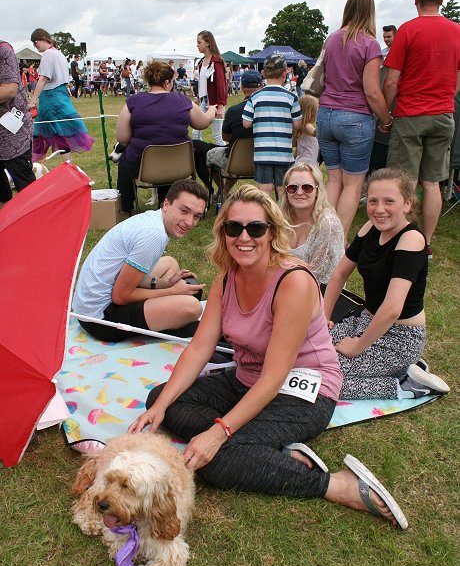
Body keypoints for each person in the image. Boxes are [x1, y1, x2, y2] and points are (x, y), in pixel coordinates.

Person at [128, 184, 408, 530]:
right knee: (161, 399)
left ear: (272, 232)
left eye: (255, 228)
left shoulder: (294, 281)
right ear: (223, 233)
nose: (244, 237)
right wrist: (160, 407)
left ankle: (335, 485)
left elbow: (276, 376)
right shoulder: (225, 281)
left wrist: (219, 432)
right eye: (234, 228)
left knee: (218, 459)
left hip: (304, 391)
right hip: (247, 381)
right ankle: (269, 446)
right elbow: (199, 348)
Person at [323, 168, 450, 400]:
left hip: (400, 338)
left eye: (389, 201)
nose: (379, 209)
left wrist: (357, 346)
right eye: (373, 201)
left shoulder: (411, 239)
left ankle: (406, 385)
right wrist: (323, 319)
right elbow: (339, 274)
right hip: (365, 321)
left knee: (323, 380)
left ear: (407, 204)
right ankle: (393, 371)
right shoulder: (369, 229)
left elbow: (392, 309)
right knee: (303, 354)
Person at [383, 0, 460, 256]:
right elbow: (457, 77)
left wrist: (386, 115)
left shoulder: (408, 30)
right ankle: (425, 243)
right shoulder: (457, 31)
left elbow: (391, 80)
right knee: (432, 183)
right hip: (443, 114)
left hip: (410, 114)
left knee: (405, 181)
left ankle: (402, 239)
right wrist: (445, 99)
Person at [72, 179, 208, 342]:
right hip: (99, 319)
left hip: (86, 308)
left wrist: (166, 284)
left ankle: (161, 314)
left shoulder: (153, 220)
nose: (189, 222)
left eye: (196, 216)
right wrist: (172, 292)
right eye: (184, 211)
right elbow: (120, 296)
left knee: (169, 263)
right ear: (166, 204)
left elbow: (125, 276)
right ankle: (163, 320)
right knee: (192, 308)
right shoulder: (153, 234)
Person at [316, 0, 392, 241]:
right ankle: (338, 242)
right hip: (355, 118)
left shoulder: (332, 39)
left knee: (334, 180)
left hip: (326, 114)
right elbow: (371, 91)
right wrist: (386, 118)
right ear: (370, 10)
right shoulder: (370, 44)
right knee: (352, 184)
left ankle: (322, 235)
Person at [114, 60, 217, 214]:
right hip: (179, 165)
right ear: (168, 82)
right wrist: (212, 110)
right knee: (166, 161)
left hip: (143, 166)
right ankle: (165, 202)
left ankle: (126, 206)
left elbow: (122, 138)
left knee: (124, 163)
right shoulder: (183, 101)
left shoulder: (133, 102)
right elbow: (202, 123)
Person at [29, 29, 94, 163]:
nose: (35, 46)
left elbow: (43, 79)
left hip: (50, 97)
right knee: (57, 133)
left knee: (41, 134)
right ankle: (65, 165)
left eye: (35, 43)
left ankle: (31, 166)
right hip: (60, 95)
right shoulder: (59, 54)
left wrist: (33, 100)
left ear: (42, 38)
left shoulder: (48, 54)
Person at [242, 54, 302, 195]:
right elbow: (298, 124)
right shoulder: (291, 97)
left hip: (263, 152)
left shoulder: (255, 97)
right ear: (284, 73)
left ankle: (265, 215)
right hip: (284, 153)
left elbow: (246, 123)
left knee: (265, 188)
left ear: (263, 73)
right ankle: (281, 215)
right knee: (282, 188)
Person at [199, 69, 263, 198]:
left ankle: (223, 191)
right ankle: (224, 191)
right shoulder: (268, 110)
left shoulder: (234, 111)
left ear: (242, 87)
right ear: (261, 86)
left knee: (211, 155)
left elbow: (225, 137)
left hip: (236, 160)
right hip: (263, 160)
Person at [280, 163, 344, 287]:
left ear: (317, 191)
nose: (299, 192)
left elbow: (316, 276)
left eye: (307, 188)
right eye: (292, 188)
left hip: (318, 292)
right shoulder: (282, 218)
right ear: (286, 191)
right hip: (285, 284)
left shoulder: (328, 225)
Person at [0, 40, 35, 205]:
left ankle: (38, 225)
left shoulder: (3, 51)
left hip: (12, 134)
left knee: (27, 190)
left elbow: (9, 90)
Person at [192, 30, 227, 145]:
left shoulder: (216, 62)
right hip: (203, 101)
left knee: (217, 136)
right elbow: (203, 83)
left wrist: (220, 106)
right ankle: (196, 158)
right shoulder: (202, 62)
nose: (197, 45)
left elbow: (221, 84)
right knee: (195, 133)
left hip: (214, 103)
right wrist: (198, 97)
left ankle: (225, 159)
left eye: (199, 42)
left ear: (207, 43)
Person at [294, 94, 319, 166]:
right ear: (311, 112)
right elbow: (314, 133)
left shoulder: (300, 126)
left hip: (301, 161)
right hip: (308, 162)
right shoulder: (307, 126)